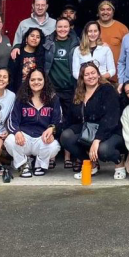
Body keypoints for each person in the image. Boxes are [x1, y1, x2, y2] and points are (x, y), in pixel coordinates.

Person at [60, 61, 126, 179]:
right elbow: (69, 118)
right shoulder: (79, 93)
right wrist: (53, 128)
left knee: (103, 150)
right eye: (87, 74)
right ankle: (91, 164)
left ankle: (119, 162)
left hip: (111, 131)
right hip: (89, 129)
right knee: (66, 136)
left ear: (98, 74)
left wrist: (97, 140)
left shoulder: (107, 90)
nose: (91, 76)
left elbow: (110, 118)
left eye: (93, 73)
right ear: (82, 78)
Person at [5, 69, 62, 177]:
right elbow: (12, 120)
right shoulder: (21, 98)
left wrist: (52, 129)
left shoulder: (53, 98)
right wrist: (17, 132)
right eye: (33, 80)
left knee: (54, 146)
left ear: (45, 81)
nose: (36, 82)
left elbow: (59, 120)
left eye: (39, 79)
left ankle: (39, 165)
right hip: (24, 138)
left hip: (42, 139)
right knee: (9, 141)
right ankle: (23, 164)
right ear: (28, 81)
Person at [46, 17, 79, 168]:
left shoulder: (76, 42)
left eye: (65, 27)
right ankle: (51, 155)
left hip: (70, 88)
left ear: (70, 28)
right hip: (52, 89)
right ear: (56, 27)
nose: (62, 30)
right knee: (51, 121)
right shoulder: (48, 41)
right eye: (60, 27)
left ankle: (67, 156)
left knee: (69, 121)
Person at [9, 27, 46, 92]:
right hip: (18, 90)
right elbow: (11, 74)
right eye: (32, 36)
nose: (35, 39)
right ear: (26, 38)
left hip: (36, 90)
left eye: (38, 37)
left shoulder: (41, 55)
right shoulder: (17, 52)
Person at [96, 0, 129, 67]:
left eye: (108, 9)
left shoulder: (122, 28)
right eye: (102, 10)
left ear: (113, 12)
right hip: (95, 73)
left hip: (117, 73)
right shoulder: (92, 27)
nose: (105, 12)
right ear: (98, 12)